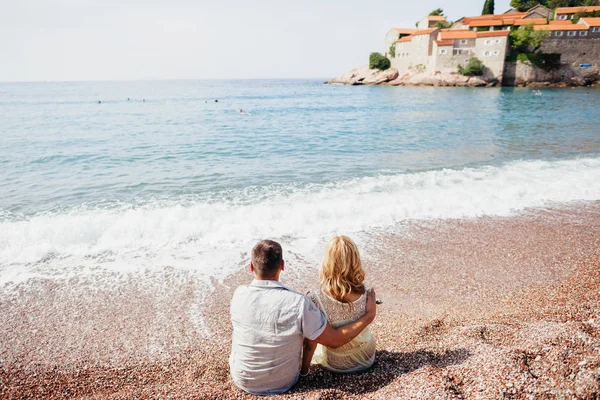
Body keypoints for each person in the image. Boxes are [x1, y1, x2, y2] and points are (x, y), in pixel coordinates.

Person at [229, 240, 376, 396]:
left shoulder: (238, 294)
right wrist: (369, 316)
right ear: (282, 266)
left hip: (242, 379)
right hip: (283, 382)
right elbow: (334, 340)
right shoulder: (298, 302)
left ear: (251, 266)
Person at [301, 236, 376, 374]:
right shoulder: (368, 291)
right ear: (355, 260)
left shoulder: (315, 298)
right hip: (367, 356)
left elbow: (310, 344)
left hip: (337, 362)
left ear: (327, 262)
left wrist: (304, 371)